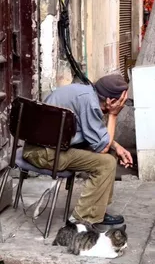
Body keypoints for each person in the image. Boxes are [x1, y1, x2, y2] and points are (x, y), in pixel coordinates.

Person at [23, 74, 133, 232]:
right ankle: (81, 220)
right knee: (106, 162)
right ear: (111, 101)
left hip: (41, 147)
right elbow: (102, 147)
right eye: (122, 102)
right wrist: (114, 115)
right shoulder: (91, 104)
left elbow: (94, 134)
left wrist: (117, 146)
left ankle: (97, 210)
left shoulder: (85, 93)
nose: (123, 105)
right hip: (45, 153)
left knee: (110, 155)